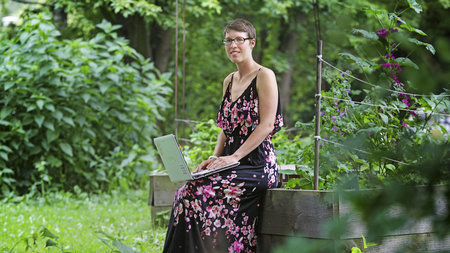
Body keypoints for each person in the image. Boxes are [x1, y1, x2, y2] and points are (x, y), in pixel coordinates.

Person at [162, 18, 283, 253]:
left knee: (193, 193)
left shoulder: (264, 76)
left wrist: (233, 157)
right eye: (229, 40)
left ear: (252, 43)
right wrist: (213, 160)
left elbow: (267, 125)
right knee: (185, 193)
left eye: (239, 40)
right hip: (230, 164)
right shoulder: (229, 81)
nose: (233, 45)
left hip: (257, 165)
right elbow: (225, 128)